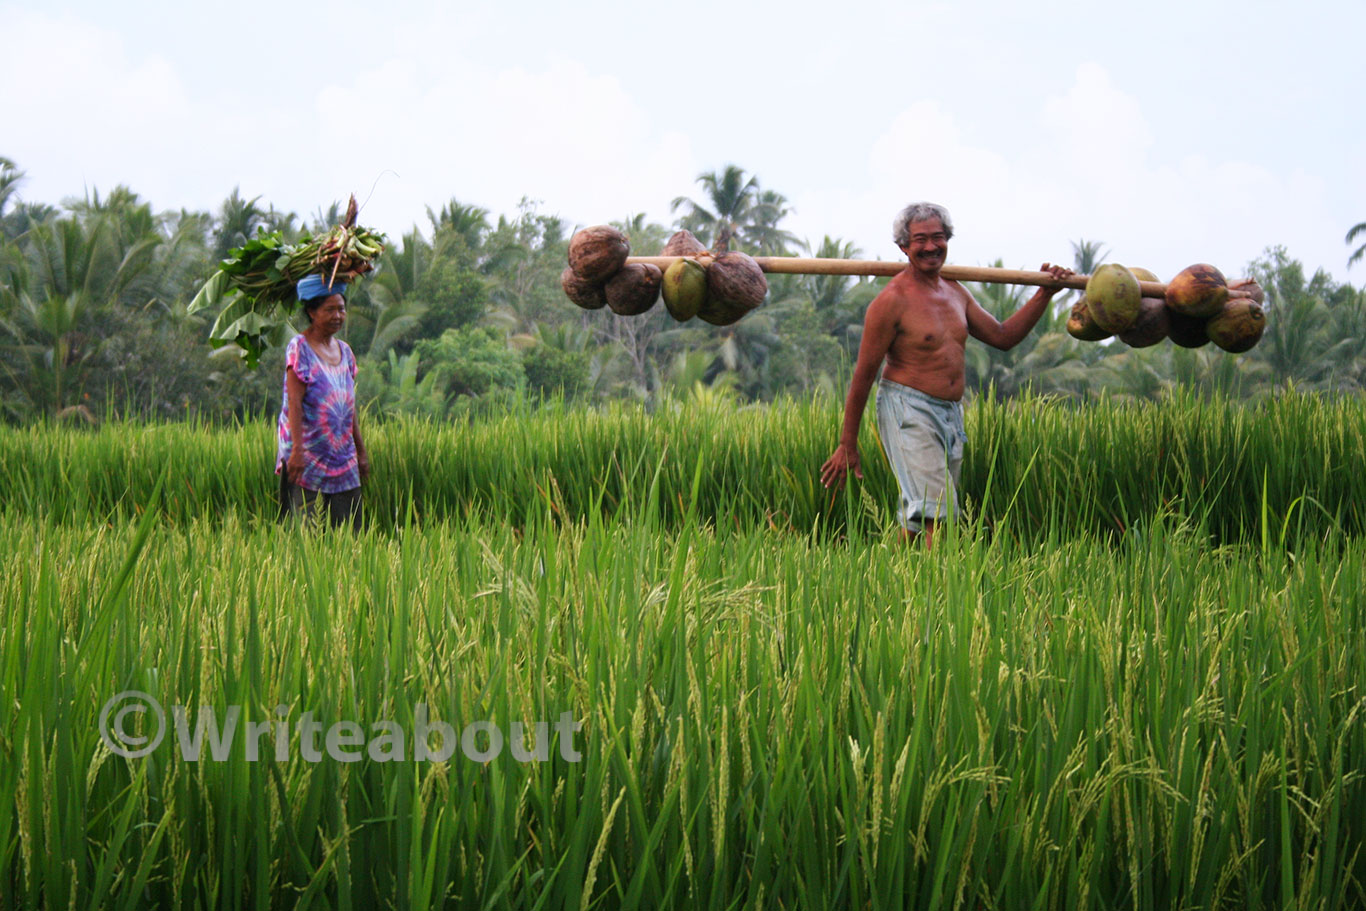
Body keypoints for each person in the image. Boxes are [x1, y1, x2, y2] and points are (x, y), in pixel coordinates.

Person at [819, 202, 1073, 547]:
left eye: (938, 237)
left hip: (949, 415)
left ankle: (883, 579)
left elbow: (1003, 337)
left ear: (947, 240)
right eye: (919, 239)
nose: (930, 247)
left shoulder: (955, 292)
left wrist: (1044, 294)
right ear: (903, 247)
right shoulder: (891, 301)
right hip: (908, 411)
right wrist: (848, 443)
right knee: (941, 515)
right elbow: (864, 374)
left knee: (922, 516)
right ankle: (941, 595)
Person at [276, 273, 370, 529]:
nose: (338, 316)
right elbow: (294, 403)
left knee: (351, 532)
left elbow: (349, 408)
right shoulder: (300, 348)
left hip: (342, 457)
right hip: (308, 459)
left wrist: (360, 452)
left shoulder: (346, 352)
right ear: (312, 312)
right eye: (330, 310)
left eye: (341, 309)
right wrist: (297, 451)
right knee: (307, 537)